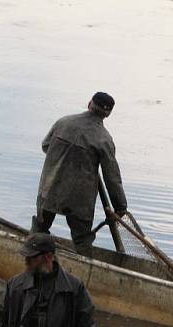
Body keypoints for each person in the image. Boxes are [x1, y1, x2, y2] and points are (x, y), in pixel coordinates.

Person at [33, 91, 128, 254]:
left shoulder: (63, 122)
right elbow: (112, 177)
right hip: (79, 200)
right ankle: (85, 269)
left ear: (90, 103)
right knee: (82, 239)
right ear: (108, 114)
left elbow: (46, 146)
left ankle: (32, 256)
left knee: (40, 229)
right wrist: (120, 206)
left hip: (49, 190)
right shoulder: (104, 139)